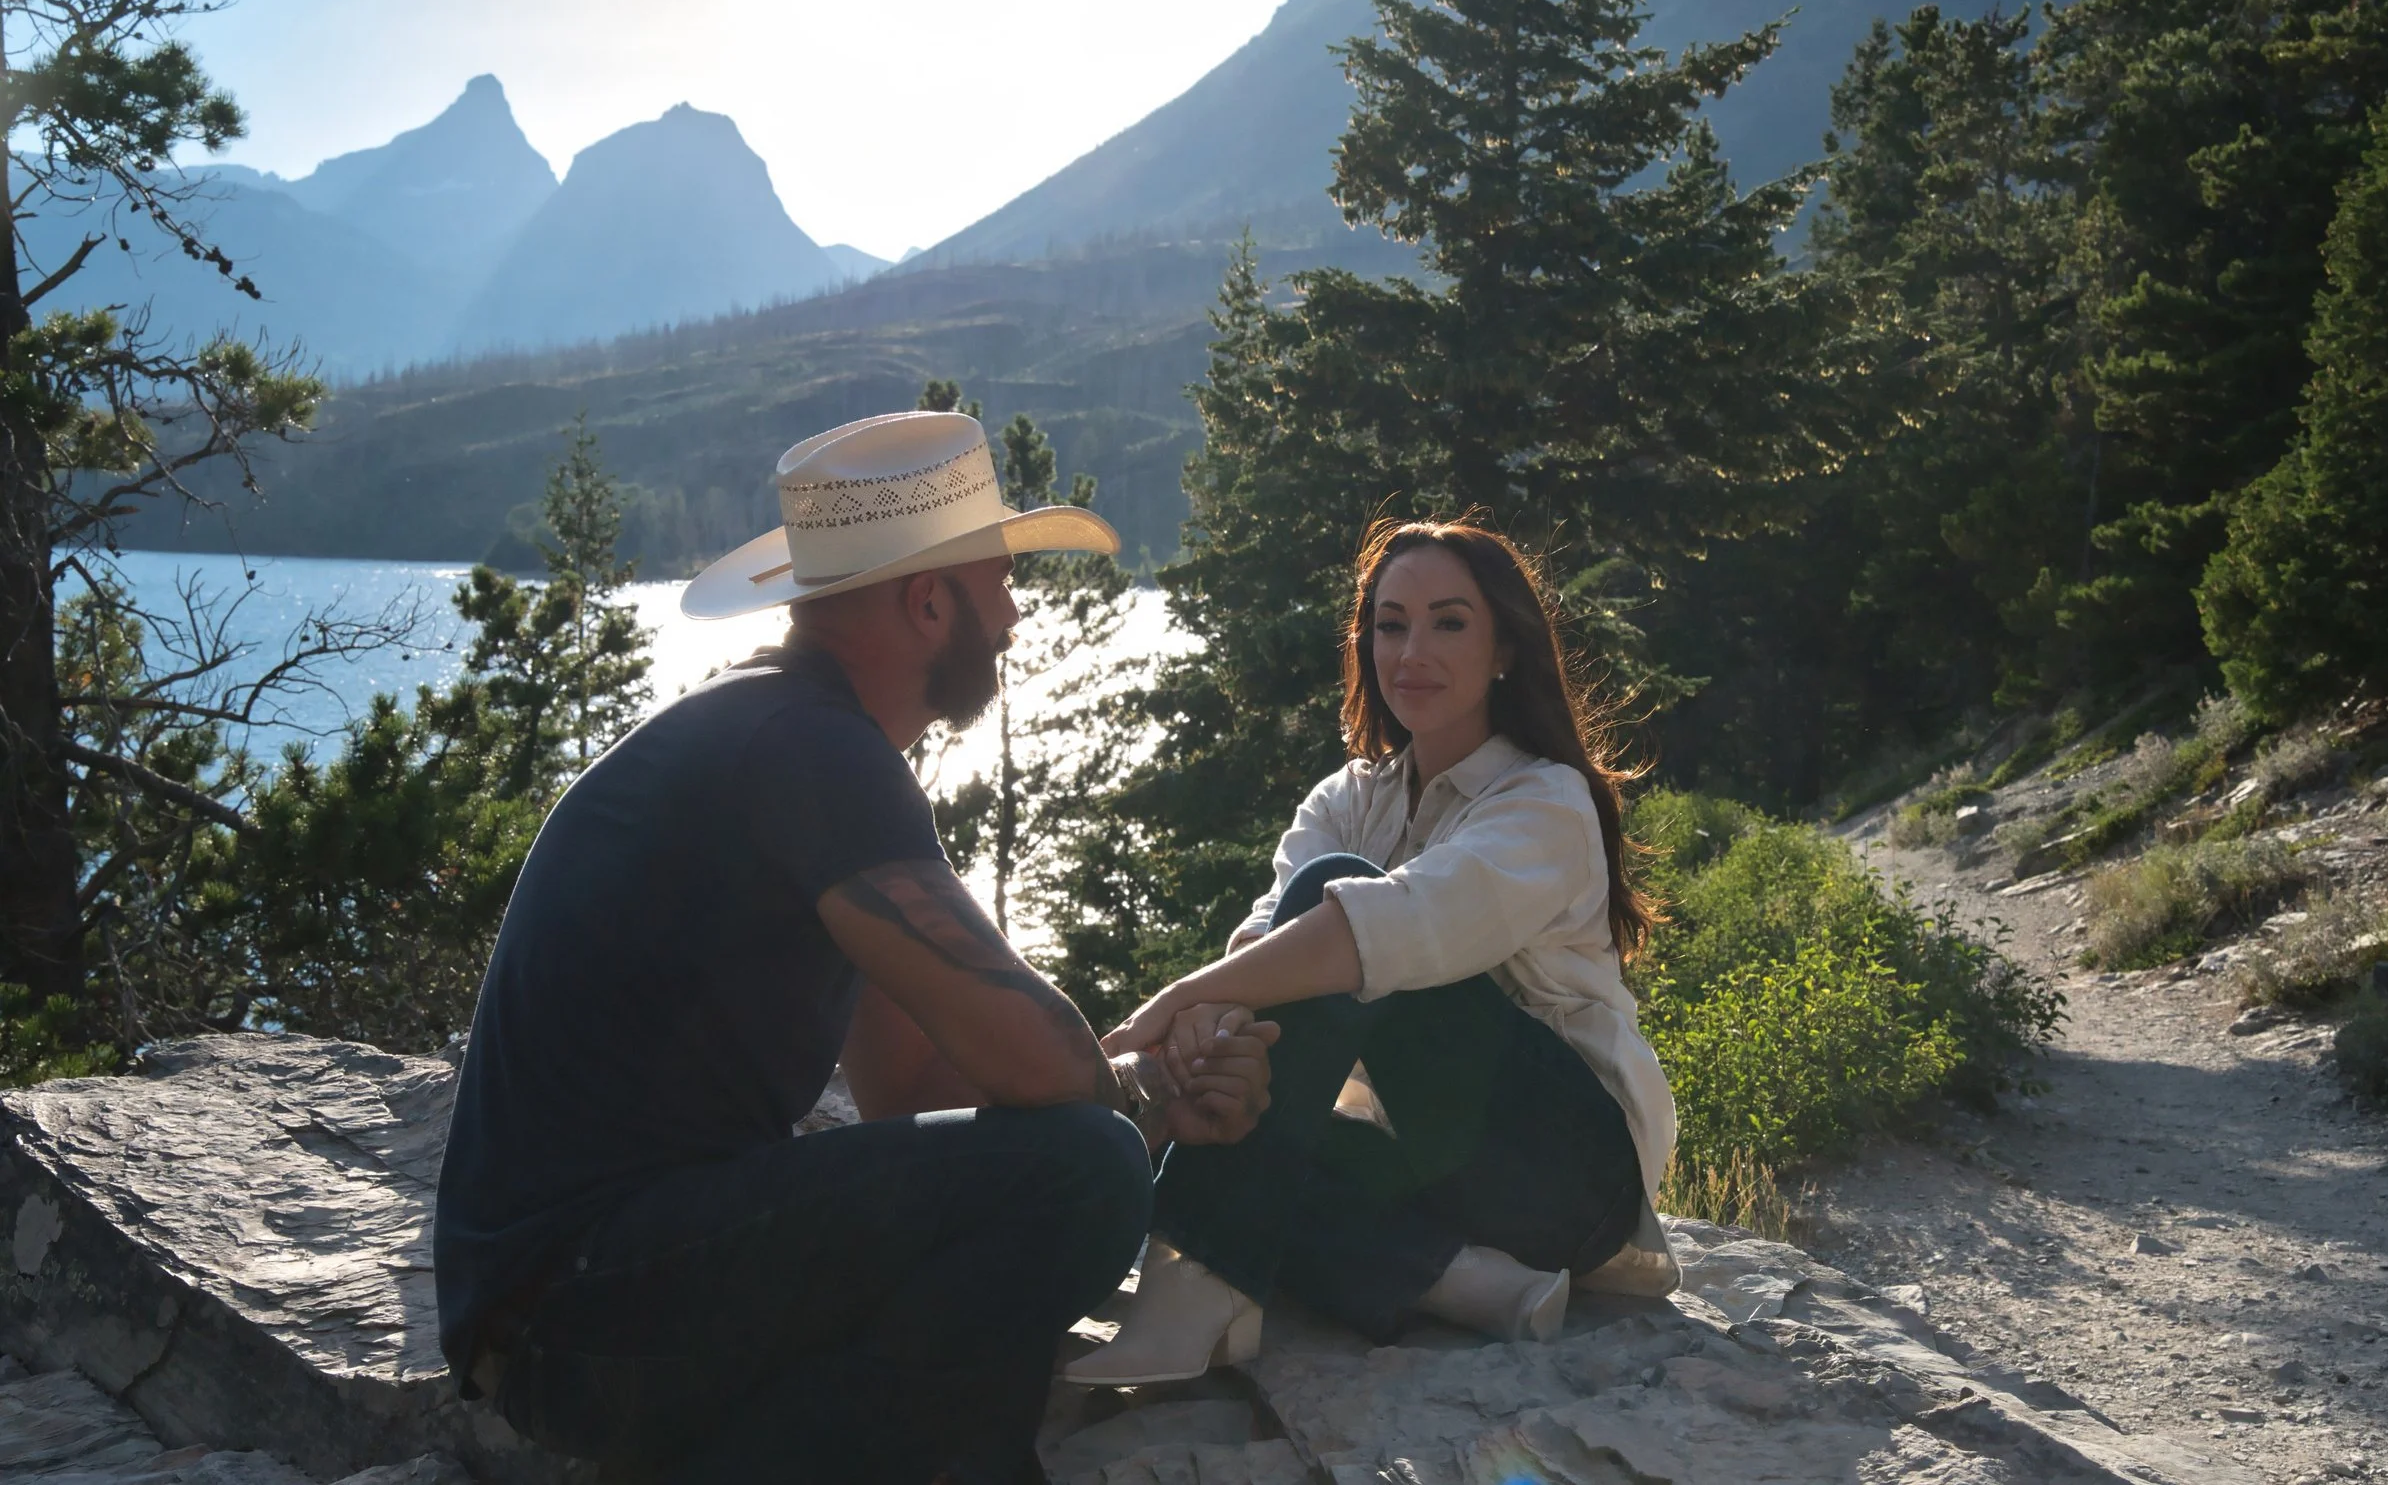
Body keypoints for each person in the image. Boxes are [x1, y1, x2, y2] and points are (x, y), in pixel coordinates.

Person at [434, 410, 1279, 1485]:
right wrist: (1155, 1088)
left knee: (1065, 1166)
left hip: (571, 1306)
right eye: (999, 580)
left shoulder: (782, 736)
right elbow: (1040, 1065)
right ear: (929, 601)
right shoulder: (812, 747)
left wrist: (1141, 1088)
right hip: (584, 1304)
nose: (1016, 613)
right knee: (1084, 1174)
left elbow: (912, 1085)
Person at [1064, 519, 1679, 1386]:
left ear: (1505, 647)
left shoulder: (1546, 803)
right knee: (1260, 1138)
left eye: (1449, 622)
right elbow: (1261, 949)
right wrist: (1212, 1024)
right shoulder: (1349, 798)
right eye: (1390, 623)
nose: (1411, 650)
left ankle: (1195, 1289)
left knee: (1337, 904)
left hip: (1568, 1176)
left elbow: (1385, 927)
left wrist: (1167, 1008)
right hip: (1429, 1169)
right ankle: (1460, 1279)